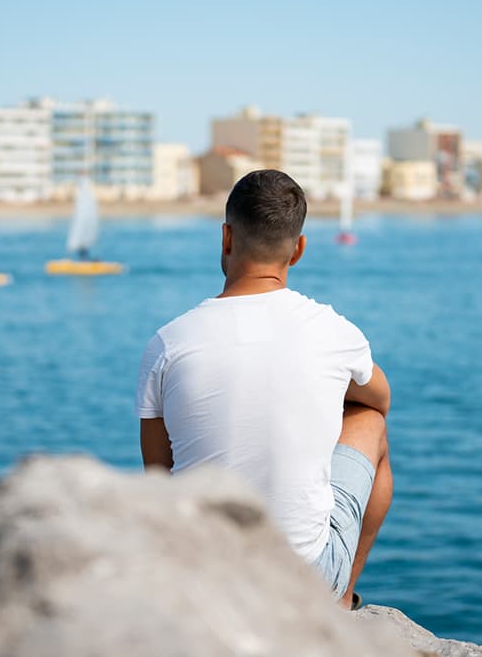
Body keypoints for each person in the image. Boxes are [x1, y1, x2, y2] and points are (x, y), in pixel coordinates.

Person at [135, 169, 392, 609]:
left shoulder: (166, 345)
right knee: (369, 422)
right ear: (299, 250)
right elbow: (380, 399)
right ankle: (342, 596)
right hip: (301, 580)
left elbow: (159, 478)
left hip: (207, 574)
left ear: (226, 239)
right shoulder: (334, 331)